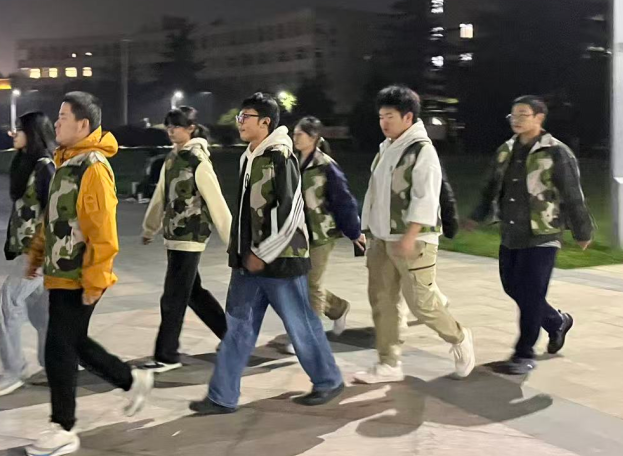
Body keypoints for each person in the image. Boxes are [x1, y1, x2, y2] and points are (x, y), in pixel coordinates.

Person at [189, 92, 345, 415]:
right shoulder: (251, 155)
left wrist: (264, 253)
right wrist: (243, 252)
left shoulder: (280, 158)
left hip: (281, 261)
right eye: (240, 116)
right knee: (238, 327)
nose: (240, 122)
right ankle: (222, 396)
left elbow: (292, 212)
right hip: (249, 261)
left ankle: (328, 380)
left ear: (265, 122)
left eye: (245, 117)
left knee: (301, 324)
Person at [24, 92, 154, 456]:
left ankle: (62, 427)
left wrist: (96, 280)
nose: (57, 123)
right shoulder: (67, 162)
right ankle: (130, 380)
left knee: (58, 348)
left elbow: (103, 231)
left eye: (63, 117)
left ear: (83, 125)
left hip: (80, 274)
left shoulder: (93, 168)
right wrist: (37, 254)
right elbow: (54, 217)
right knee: (74, 342)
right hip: (61, 271)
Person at [355, 85, 474, 384]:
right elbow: (374, 194)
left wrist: (410, 235)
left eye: (390, 117)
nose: (384, 123)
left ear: (408, 117)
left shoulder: (422, 150)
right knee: (382, 301)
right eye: (381, 117)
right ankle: (388, 363)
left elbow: (426, 197)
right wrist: (366, 229)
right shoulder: (386, 148)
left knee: (421, 303)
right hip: (382, 239)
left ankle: (459, 336)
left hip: (414, 240)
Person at [466, 95, 592, 375]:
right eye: (513, 115)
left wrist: (582, 230)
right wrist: (477, 215)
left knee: (532, 293)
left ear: (539, 117)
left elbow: (572, 193)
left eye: (523, 114)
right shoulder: (506, 150)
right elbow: (490, 187)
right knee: (513, 286)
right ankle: (556, 321)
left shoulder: (556, 152)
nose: (516, 120)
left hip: (543, 233)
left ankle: (524, 353)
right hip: (512, 232)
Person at [140, 106, 232, 372]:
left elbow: (216, 202)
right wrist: (149, 227)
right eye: (168, 126)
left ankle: (167, 355)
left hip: (191, 236)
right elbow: (160, 195)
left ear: (191, 128)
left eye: (176, 126)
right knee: (193, 293)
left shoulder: (197, 160)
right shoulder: (172, 158)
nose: (171, 131)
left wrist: (232, 242)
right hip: (174, 235)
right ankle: (233, 338)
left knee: (173, 297)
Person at [0, 111, 56, 396]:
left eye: (20, 129)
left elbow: (55, 214)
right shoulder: (25, 164)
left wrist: (37, 256)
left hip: (37, 254)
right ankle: (54, 366)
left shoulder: (45, 167)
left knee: (6, 306)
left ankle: (14, 370)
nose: (14, 134)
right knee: (42, 315)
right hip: (26, 251)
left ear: (34, 134)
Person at [285, 116, 364, 354]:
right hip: (297, 233)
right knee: (298, 283)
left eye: (299, 134)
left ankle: (309, 338)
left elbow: (344, 201)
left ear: (314, 137)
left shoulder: (326, 165)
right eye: (294, 134)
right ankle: (338, 308)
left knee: (311, 284)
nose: (295, 138)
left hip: (321, 233)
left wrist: (354, 232)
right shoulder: (291, 161)